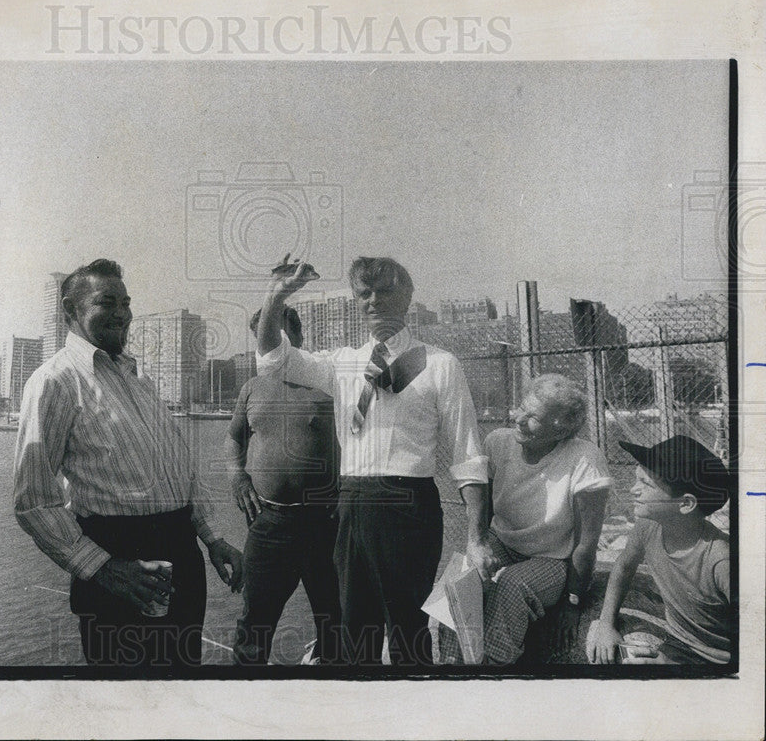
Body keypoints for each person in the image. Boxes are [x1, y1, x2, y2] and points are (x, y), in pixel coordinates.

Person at [255, 256, 491, 666]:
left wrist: (476, 538)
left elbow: (468, 456)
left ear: (408, 296)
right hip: (352, 506)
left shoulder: (438, 364)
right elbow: (273, 360)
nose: (374, 301)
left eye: (385, 290)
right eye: (364, 293)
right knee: (354, 630)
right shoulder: (343, 362)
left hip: (408, 506)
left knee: (408, 631)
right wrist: (276, 295)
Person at [13, 258, 244, 669]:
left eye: (126, 302)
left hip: (181, 558)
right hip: (120, 564)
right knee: (123, 706)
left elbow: (180, 471)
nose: (122, 313)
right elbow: (34, 499)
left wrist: (212, 539)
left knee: (179, 692)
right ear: (70, 309)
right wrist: (101, 568)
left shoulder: (140, 381)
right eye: (107, 302)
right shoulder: (55, 381)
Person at [437, 374, 611, 665]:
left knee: (512, 586)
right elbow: (484, 511)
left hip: (551, 558)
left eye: (533, 417)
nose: (518, 419)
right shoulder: (498, 442)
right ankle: (451, 665)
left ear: (560, 430)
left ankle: (494, 670)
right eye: (521, 408)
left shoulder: (584, 458)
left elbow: (585, 543)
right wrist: (477, 547)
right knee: (459, 578)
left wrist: (573, 602)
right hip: (503, 542)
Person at [228, 306, 342, 665]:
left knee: (334, 616)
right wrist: (237, 474)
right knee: (255, 621)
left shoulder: (326, 385)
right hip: (269, 523)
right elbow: (233, 439)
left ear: (300, 336)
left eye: (282, 334)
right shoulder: (251, 388)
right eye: (266, 335)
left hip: (324, 523)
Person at [587, 435, 733, 665]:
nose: (633, 489)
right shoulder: (649, 526)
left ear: (685, 504)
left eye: (646, 484)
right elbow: (624, 566)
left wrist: (670, 666)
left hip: (719, 661)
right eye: (637, 479)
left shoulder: (721, 559)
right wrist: (606, 622)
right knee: (611, 650)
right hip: (677, 642)